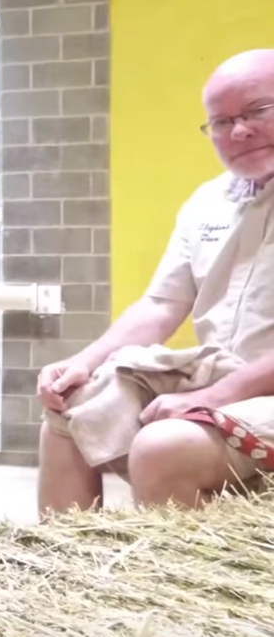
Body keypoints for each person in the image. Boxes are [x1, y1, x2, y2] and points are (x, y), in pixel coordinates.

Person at [36, 48, 274, 514]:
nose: (239, 131)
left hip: (249, 388)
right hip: (223, 373)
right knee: (69, 410)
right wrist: (82, 362)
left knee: (163, 445)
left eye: (258, 111)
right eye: (221, 122)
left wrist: (211, 399)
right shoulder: (209, 201)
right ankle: (67, 571)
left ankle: (180, 587)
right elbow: (163, 303)